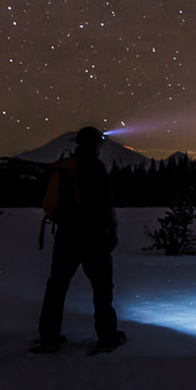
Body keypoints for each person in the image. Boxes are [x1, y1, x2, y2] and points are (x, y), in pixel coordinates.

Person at [32, 126, 125, 353]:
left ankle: (49, 337)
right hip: (92, 235)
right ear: (95, 144)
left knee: (57, 285)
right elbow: (105, 204)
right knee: (102, 288)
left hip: (66, 234)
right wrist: (112, 232)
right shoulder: (95, 167)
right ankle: (107, 337)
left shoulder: (65, 167)